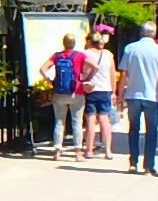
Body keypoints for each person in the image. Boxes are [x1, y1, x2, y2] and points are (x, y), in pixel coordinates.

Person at [118, 22, 158, 175]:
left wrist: (120, 95)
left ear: (141, 32)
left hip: (133, 94)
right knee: (151, 131)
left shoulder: (130, 49)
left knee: (134, 129)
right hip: (152, 95)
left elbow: (124, 74)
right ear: (154, 33)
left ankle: (133, 162)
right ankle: (148, 165)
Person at [38, 34, 87, 162]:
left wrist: (49, 81)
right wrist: (85, 79)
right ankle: (78, 153)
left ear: (63, 43)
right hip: (76, 91)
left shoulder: (57, 56)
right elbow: (95, 66)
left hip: (59, 93)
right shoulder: (80, 55)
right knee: (77, 122)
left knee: (59, 122)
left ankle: (58, 152)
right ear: (74, 43)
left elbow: (42, 69)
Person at [79, 31, 117, 161]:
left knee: (90, 120)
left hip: (90, 89)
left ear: (89, 41)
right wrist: (114, 92)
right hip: (105, 90)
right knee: (104, 120)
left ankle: (89, 150)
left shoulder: (85, 54)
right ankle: (108, 151)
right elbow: (113, 74)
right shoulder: (108, 55)